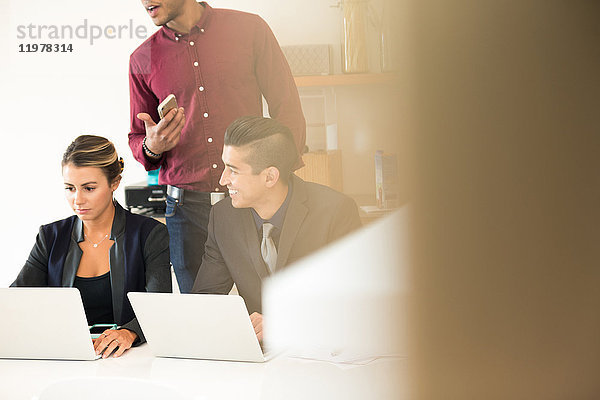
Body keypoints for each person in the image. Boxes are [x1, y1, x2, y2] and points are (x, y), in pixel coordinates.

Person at [128, 0, 306, 293]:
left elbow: (287, 110)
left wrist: (278, 179)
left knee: (274, 307)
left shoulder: (250, 29)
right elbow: (138, 138)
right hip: (186, 212)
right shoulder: (142, 59)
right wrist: (153, 145)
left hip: (255, 199)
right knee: (202, 318)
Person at [192, 116, 361, 341]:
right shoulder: (223, 217)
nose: (223, 180)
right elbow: (205, 301)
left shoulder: (335, 211)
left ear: (270, 177)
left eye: (233, 170)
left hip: (323, 350)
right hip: (259, 358)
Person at [12, 135, 171, 358]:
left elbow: (160, 306)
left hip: (126, 358)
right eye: (70, 188)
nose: (77, 200)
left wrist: (129, 332)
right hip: (64, 357)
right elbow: (15, 301)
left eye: (88, 188)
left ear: (114, 182)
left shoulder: (150, 234)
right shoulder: (50, 237)